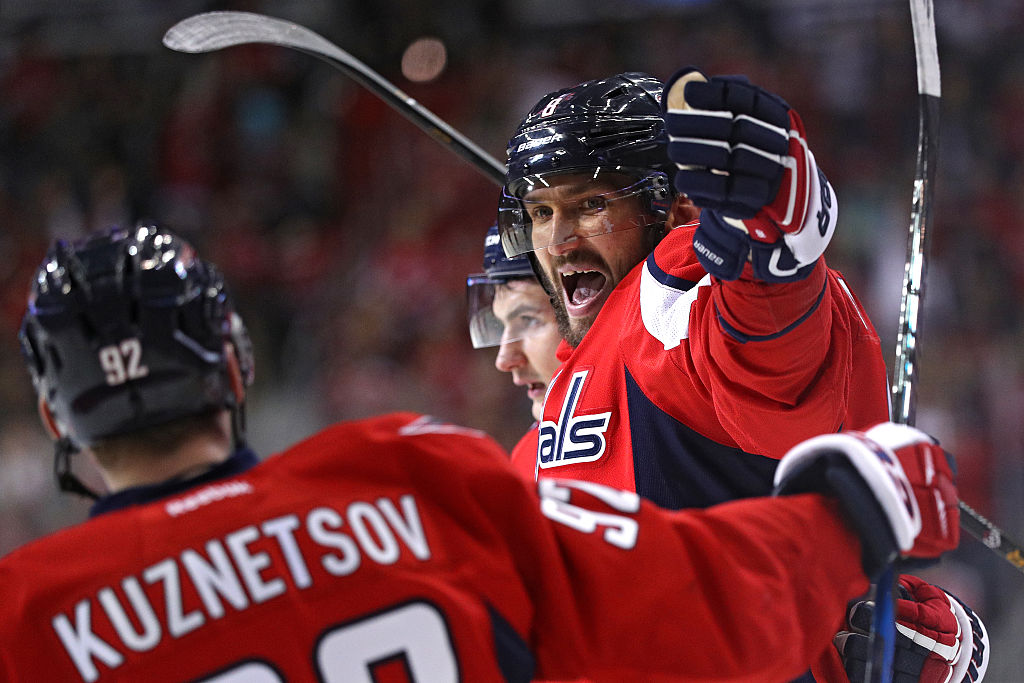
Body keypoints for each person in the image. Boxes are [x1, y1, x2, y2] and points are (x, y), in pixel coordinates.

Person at [1, 226, 967, 682]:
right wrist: (849, 515)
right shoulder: (402, 486)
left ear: (55, 418)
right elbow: (689, 604)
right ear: (234, 362)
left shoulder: (21, 618)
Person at [497, 70, 988, 682]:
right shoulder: (564, 403)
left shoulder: (673, 294)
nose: (558, 239)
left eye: (591, 205)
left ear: (676, 208)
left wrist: (773, 237)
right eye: (542, 212)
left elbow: (766, 348)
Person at [467, 224, 561, 479]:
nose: (505, 360)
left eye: (529, 319)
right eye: (502, 324)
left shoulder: (663, 429)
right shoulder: (530, 456)